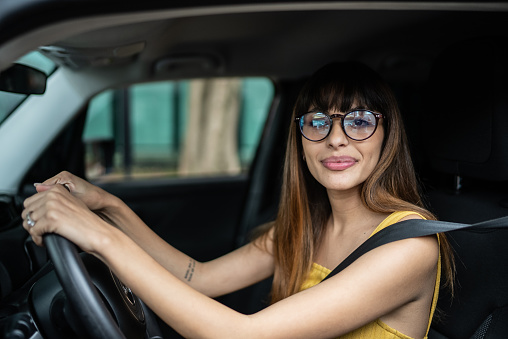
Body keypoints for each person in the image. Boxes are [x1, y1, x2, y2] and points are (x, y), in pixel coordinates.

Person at [22, 62, 454, 339]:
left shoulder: (407, 247)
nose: (336, 138)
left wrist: (98, 237)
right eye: (318, 122)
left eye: (359, 121)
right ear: (301, 140)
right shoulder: (305, 228)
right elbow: (197, 277)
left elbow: (240, 335)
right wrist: (109, 207)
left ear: (387, 136)